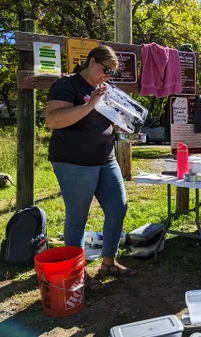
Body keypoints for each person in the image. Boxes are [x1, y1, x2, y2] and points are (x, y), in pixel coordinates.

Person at [45, 45, 136, 277]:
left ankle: (108, 263)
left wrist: (119, 124)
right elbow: (53, 120)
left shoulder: (106, 88)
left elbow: (109, 119)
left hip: (106, 158)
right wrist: (89, 105)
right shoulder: (67, 84)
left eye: (112, 73)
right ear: (92, 61)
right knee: (78, 217)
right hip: (73, 162)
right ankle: (76, 273)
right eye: (106, 70)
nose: (108, 76)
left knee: (118, 207)